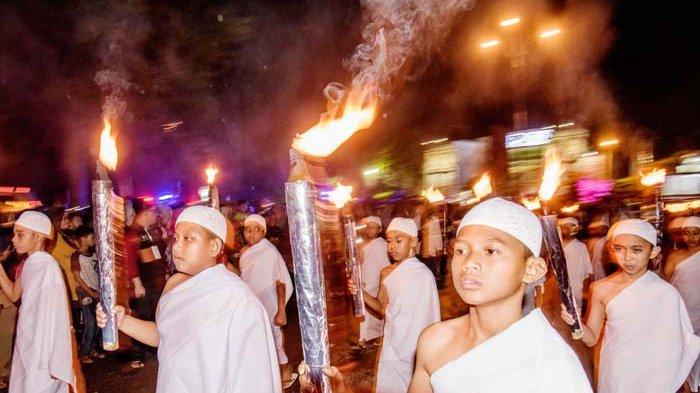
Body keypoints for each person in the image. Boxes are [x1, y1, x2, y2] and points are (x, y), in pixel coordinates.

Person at [409, 197, 591, 393]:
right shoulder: (435, 340)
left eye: (490, 251)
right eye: (461, 250)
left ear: (532, 269)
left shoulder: (552, 363)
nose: (469, 262)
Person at [97, 206, 282, 392]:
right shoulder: (174, 285)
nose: (176, 246)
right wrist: (121, 320)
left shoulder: (237, 297)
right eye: (176, 238)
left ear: (214, 247)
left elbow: (253, 375)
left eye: (188, 239)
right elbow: (163, 337)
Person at [561, 218, 700, 393]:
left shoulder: (666, 293)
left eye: (637, 250)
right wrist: (576, 323)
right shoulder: (600, 288)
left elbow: (678, 344)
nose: (627, 258)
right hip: (616, 368)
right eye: (619, 249)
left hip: (653, 372)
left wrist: (678, 377)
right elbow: (592, 339)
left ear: (653, 251)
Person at [350, 217, 440, 393]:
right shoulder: (386, 273)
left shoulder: (424, 274)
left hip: (418, 345)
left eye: (399, 240)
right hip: (393, 342)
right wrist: (360, 292)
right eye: (389, 241)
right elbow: (381, 308)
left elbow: (431, 315)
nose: (392, 246)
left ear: (413, 241)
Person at [0, 211, 76, 392]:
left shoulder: (47, 265)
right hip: (26, 335)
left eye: (20, 234)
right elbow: (13, 295)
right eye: (15, 234)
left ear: (39, 237)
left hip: (44, 339)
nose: (14, 240)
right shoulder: (28, 263)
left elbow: (57, 310)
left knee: (38, 384)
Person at [239, 214, 296, 388]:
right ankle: (270, 377)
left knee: (275, 339)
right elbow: (245, 278)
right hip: (253, 302)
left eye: (256, 230)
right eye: (248, 230)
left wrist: (281, 309)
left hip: (269, 301)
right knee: (259, 341)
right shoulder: (245, 252)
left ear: (263, 232)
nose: (251, 233)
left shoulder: (269, 251)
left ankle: (286, 372)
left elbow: (280, 282)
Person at [667, 216, 700, 392]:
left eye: (695, 233)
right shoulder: (675, 256)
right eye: (687, 233)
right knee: (683, 347)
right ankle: (686, 383)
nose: (691, 237)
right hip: (682, 309)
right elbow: (665, 281)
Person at [356, 216, 391, 348]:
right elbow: (361, 262)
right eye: (368, 227)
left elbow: (386, 265)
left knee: (377, 310)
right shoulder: (363, 243)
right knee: (364, 311)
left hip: (377, 282)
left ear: (379, 229)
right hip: (365, 280)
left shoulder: (382, 244)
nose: (369, 229)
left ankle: (375, 337)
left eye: (373, 227)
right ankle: (364, 338)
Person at [70, 225, 102, 364]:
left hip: (95, 291)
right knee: (90, 323)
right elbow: (77, 277)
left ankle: (92, 348)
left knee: (97, 322)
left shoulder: (94, 254)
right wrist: (91, 292)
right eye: (91, 237)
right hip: (85, 292)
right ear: (83, 239)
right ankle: (84, 352)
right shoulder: (76, 256)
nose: (94, 240)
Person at [559, 217, 593, 311]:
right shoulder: (555, 246)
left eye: (571, 227)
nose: (567, 229)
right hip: (557, 293)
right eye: (564, 227)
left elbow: (589, 272)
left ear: (576, 230)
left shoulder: (581, 247)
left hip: (576, 292)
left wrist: (587, 292)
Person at [586, 213, 610, 281]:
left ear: (607, 229)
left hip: (604, 272)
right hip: (597, 271)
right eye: (600, 228)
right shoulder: (596, 241)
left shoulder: (607, 241)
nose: (600, 230)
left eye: (603, 228)